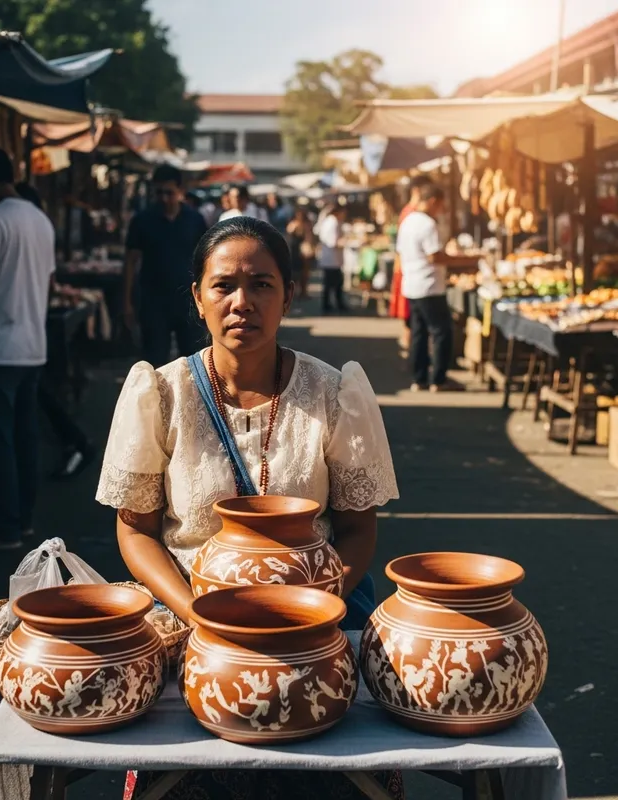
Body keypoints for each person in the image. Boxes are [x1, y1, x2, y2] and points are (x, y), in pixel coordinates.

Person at [97, 216, 401, 800]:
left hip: (313, 623)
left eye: (262, 284)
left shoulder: (335, 392)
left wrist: (320, 604)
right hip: (196, 620)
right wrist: (196, 615)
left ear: (289, 294)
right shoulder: (160, 393)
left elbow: (360, 526)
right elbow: (136, 531)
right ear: (198, 297)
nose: (243, 302)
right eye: (224, 286)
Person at [0, 147, 56, 550]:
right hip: (32, 345)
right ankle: (24, 522)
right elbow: (48, 283)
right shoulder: (40, 219)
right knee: (24, 438)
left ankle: (4, 529)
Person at [15, 182, 96, 480]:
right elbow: (49, 285)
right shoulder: (41, 228)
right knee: (42, 394)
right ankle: (73, 443)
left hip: (23, 332)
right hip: (35, 327)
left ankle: (74, 443)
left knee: (41, 396)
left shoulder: (23, 228)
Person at [123, 164, 207, 368]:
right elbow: (130, 262)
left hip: (188, 303)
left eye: (169, 192)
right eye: (159, 192)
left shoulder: (195, 220)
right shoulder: (142, 220)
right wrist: (126, 303)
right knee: (155, 363)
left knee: (194, 363)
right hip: (153, 304)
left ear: (180, 190)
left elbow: (206, 261)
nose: (164, 198)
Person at [396, 182, 462, 392]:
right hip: (429, 286)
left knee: (419, 333)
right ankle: (439, 379)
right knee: (442, 331)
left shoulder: (407, 221)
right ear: (433, 202)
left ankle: (419, 378)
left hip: (412, 284)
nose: (441, 210)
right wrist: (466, 260)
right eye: (441, 205)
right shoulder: (427, 224)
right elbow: (435, 256)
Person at [390, 175, 433, 349]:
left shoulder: (411, 213)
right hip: (409, 271)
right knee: (411, 318)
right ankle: (410, 348)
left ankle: (411, 352)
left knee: (413, 319)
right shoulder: (411, 214)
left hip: (408, 270)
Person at [316, 204, 348, 313]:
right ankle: (332, 304)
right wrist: (347, 242)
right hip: (331, 259)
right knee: (333, 283)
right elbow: (333, 242)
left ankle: (330, 304)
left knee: (332, 283)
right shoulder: (332, 223)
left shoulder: (330, 222)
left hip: (331, 259)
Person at [286, 206, 314, 299]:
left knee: (303, 274)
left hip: (302, 251)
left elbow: (309, 238)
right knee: (295, 273)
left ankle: (302, 292)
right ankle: (296, 292)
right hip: (294, 251)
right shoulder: (293, 224)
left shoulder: (306, 224)